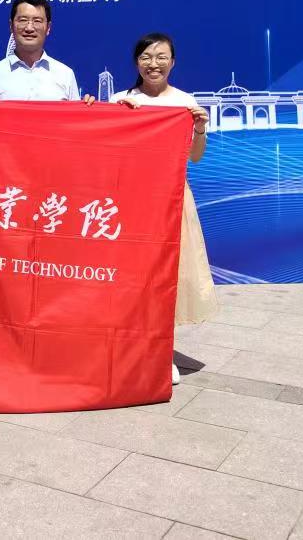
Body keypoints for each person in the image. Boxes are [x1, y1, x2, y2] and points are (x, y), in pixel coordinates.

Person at [111, 31, 217, 384]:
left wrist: (198, 129)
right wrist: (119, 117)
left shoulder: (185, 102)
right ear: (136, 62)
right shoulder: (121, 100)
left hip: (171, 199)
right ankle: (129, 348)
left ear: (173, 62)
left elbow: (195, 157)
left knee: (167, 276)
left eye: (161, 57)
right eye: (146, 57)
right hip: (130, 200)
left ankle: (161, 352)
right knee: (131, 277)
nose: (153, 64)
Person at [0, 0, 84, 102]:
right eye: (23, 20)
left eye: (37, 21)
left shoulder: (65, 75)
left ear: (48, 28)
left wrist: (89, 106)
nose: (29, 28)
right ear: (11, 26)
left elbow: (76, 113)